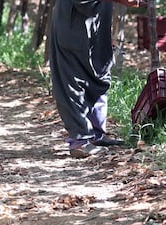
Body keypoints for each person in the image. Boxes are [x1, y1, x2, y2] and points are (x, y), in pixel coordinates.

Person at [50, 1, 137, 158]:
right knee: (73, 81)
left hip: (95, 25)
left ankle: (95, 134)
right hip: (74, 24)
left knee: (99, 75)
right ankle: (80, 140)